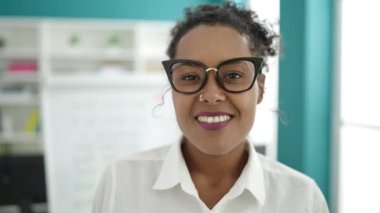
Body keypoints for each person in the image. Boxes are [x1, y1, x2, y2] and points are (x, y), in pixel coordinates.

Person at [92, 2, 329, 213]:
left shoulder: (302, 198)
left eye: (234, 74)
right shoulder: (120, 182)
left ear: (261, 87)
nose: (212, 95)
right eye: (190, 77)